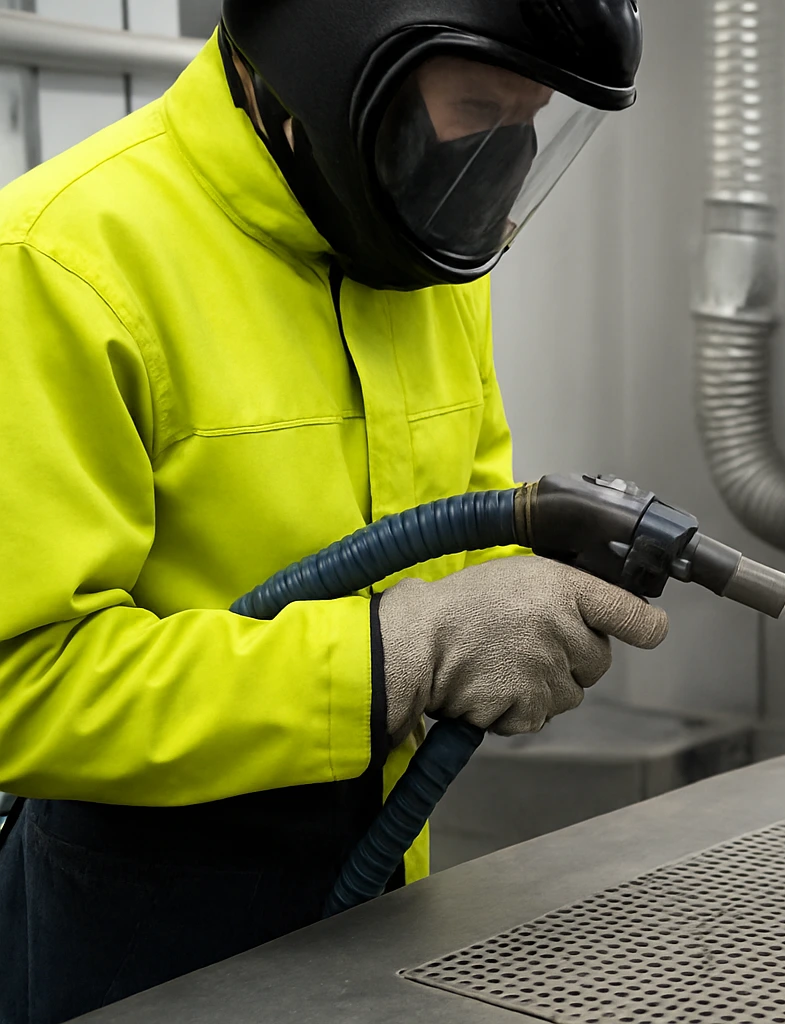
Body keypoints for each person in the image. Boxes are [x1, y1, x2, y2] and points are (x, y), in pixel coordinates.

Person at [0, 2, 659, 1020]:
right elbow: (21, 684)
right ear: (329, 66)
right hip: (143, 920)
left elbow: (467, 527)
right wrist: (399, 653)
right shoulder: (62, 261)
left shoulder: (425, 248)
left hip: (382, 874)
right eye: (478, 108)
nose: (501, 160)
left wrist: (513, 602)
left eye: (530, 119)